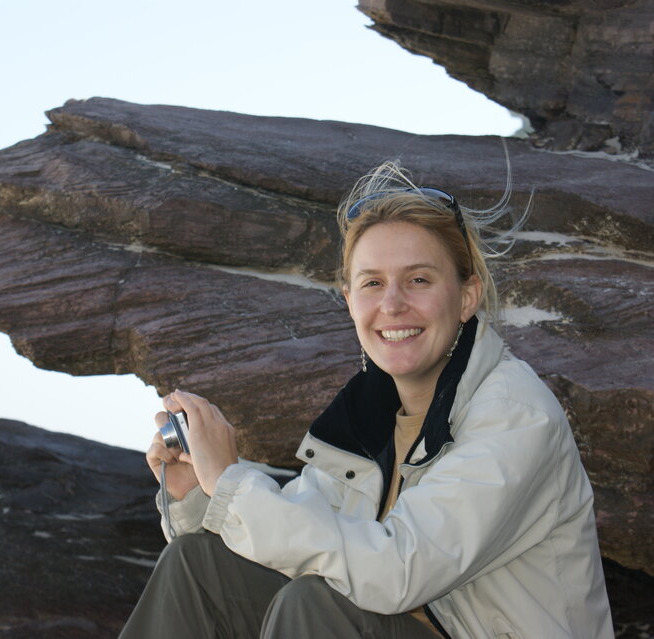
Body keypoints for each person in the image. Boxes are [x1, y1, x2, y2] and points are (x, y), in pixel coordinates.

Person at [120, 161, 614, 638]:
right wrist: (200, 494)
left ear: (466, 297)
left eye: (419, 280)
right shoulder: (367, 418)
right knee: (199, 565)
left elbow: (397, 571)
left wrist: (230, 479)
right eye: (372, 283)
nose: (392, 304)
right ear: (349, 299)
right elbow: (310, 533)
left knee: (316, 606)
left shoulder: (515, 414)